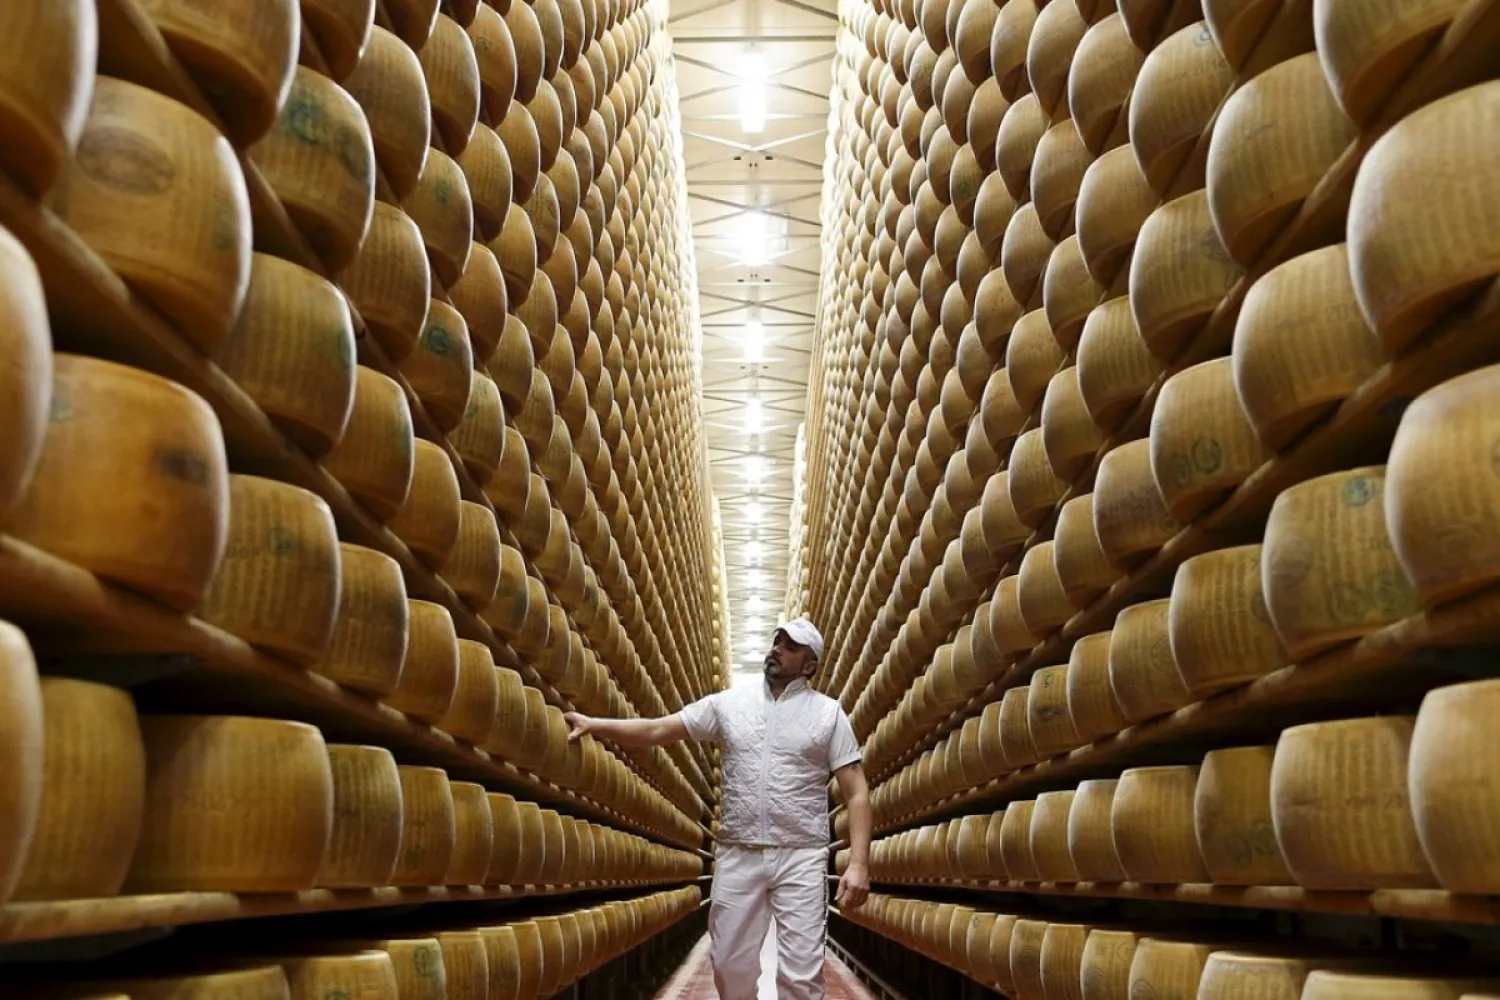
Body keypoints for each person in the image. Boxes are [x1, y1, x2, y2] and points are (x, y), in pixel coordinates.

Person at [565, 616, 871, 1000]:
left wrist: (858, 863)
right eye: (776, 641)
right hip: (737, 852)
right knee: (728, 966)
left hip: (801, 855)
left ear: (809, 665)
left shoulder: (828, 715)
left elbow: (856, 792)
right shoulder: (729, 704)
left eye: (790, 646)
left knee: (801, 977)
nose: (777, 649)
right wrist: (596, 724)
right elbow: (659, 730)